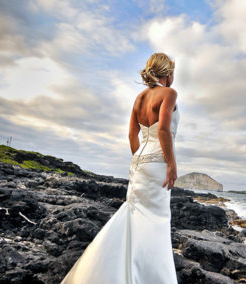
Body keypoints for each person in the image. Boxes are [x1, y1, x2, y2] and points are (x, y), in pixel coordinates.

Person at [60, 52, 179, 284]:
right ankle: (149, 275)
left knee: (134, 214)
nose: (174, 76)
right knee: (157, 219)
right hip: (158, 162)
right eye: (173, 71)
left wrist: (139, 158)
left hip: (139, 162)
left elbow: (131, 134)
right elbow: (164, 130)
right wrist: (171, 164)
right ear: (167, 72)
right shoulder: (170, 93)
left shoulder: (139, 98)